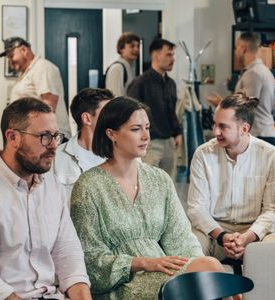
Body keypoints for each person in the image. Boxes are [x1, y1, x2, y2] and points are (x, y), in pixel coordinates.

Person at [70, 96, 225, 299]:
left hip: (165, 274)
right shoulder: (88, 186)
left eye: (147, 128)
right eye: (136, 129)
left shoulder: (159, 179)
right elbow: (90, 259)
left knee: (209, 268)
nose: (145, 136)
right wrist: (141, 263)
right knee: (209, 272)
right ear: (111, 134)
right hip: (122, 284)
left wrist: (200, 272)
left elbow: (182, 239)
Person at [0, 98, 91, 299]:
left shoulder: (51, 184)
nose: (53, 145)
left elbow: (68, 254)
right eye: (44, 136)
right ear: (13, 137)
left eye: (55, 136)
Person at [187, 93, 275, 262]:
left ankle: (258, 289)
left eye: (223, 127)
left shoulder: (270, 155)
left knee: (272, 249)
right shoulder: (203, 154)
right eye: (215, 124)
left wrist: (247, 238)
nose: (215, 131)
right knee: (189, 247)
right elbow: (196, 208)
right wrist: (222, 236)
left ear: (244, 129)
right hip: (214, 230)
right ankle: (209, 288)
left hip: (254, 229)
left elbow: (273, 210)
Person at [127, 38, 182, 179]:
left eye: (173, 55)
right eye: (168, 55)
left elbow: (171, 113)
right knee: (149, 188)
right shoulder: (140, 83)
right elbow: (130, 116)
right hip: (150, 144)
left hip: (169, 142)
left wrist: (177, 133)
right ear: (156, 56)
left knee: (168, 186)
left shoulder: (171, 84)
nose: (173, 59)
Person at [0, 36, 72, 139]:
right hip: (36, 137)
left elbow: (49, 107)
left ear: (24, 50)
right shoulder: (27, 73)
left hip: (50, 139)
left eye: (12, 56)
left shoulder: (43, 68)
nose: (10, 62)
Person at [207, 32, 275, 137]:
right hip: (263, 133)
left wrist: (220, 104)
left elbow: (246, 107)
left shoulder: (254, 73)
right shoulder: (264, 71)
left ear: (243, 48)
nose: (235, 52)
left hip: (259, 134)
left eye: (236, 47)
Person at [53, 88, 114, 200]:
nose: (115, 118)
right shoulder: (55, 158)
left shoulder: (125, 155)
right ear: (87, 118)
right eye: (108, 113)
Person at [105, 32, 140, 96]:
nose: (136, 49)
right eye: (132, 46)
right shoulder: (117, 68)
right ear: (121, 49)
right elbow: (115, 99)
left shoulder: (129, 68)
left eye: (138, 46)